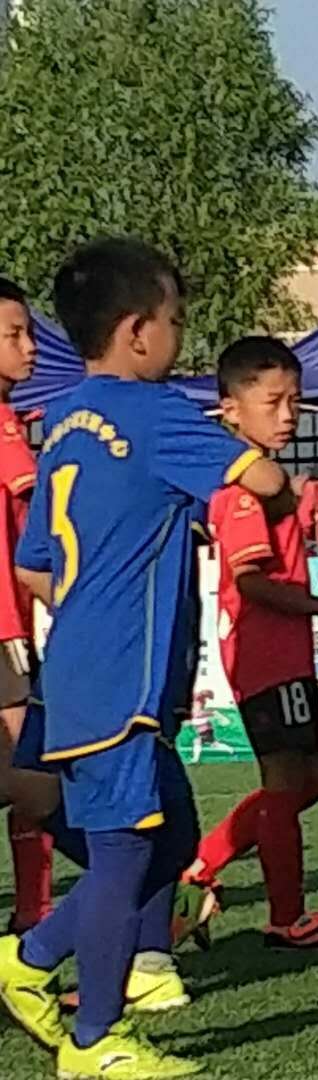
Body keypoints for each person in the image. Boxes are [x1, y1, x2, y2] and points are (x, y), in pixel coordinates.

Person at [0, 237, 289, 1078]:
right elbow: (265, 483)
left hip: (76, 666)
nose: (179, 339)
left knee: (159, 844)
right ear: (137, 332)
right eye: (175, 322)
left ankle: (29, 961)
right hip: (123, 674)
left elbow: (33, 566)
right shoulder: (154, 411)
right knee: (127, 851)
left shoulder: (63, 422)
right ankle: (92, 1038)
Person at [181, 336, 318, 951]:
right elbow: (249, 580)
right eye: (273, 402)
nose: (289, 414)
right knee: (287, 782)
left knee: (307, 782)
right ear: (231, 409)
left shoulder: (267, 480)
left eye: (295, 401)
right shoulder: (242, 489)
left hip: (283, 653)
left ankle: (200, 871)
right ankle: (285, 917)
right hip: (264, 655)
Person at [0, 277, 51, 936]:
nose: (30, 346)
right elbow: (46, 512)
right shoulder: (5, 424)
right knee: (38, 784)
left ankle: (33, 917)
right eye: (14, 335)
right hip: (4, 630)